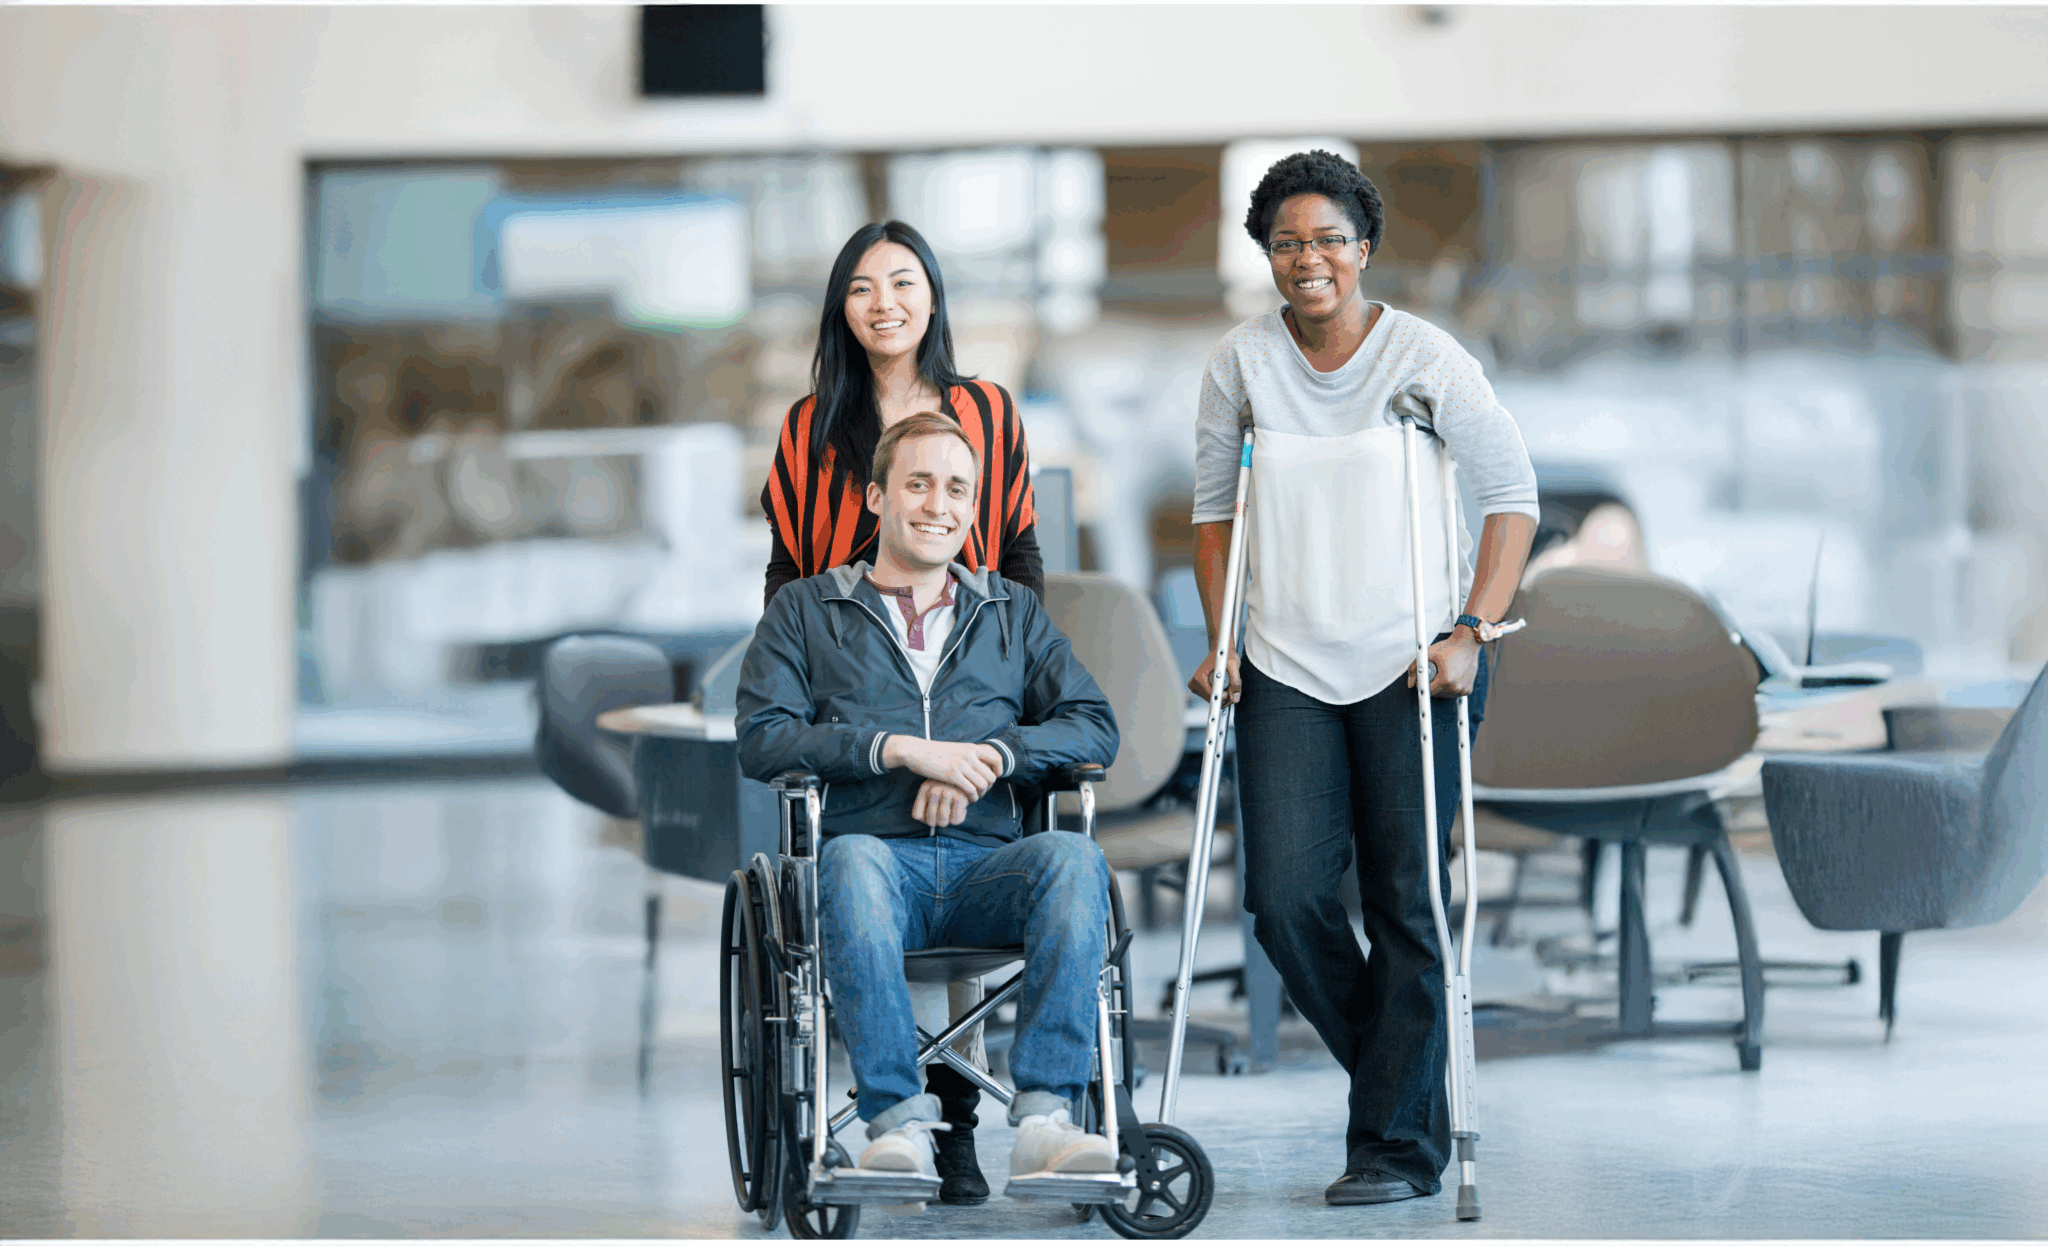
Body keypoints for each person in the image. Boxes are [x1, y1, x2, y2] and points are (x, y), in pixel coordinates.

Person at [1187, 150, 1539, 1207]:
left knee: (1406, 902)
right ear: (1264, 253)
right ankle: (1404, 1089)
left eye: (1329, 240)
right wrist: (1220, 638)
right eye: (1287, 242)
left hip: (1411, 664)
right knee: (1285, 899)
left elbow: (1509, 494)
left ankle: (1390, 1145)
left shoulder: (1423, 357)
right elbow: (1214, 518)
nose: (1309, 260)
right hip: (1284, 662)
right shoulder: (1238, 365)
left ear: (1363, 248)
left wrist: (1473, 627)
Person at [736, 411, 1122, 1201]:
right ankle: (896, 1126)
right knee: (848, 861)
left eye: (957, 489)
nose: (938, 504)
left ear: (974, 508)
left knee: (1074, 859)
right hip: (874, 869)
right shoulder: (807, 612)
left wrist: (991, 758)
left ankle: (1046, 1119)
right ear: (877, 497)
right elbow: (762, 739)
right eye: (918, 484)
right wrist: (899, 750)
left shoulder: (1009, 611)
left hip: (991, 871)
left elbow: (1093, 724)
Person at [757, 219, 1045, 1202]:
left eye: (903, 283)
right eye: (861, 287)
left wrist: (980, 729)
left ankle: (954, 1121)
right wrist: (808, 705)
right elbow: (790, 574)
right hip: (858, 712)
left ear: (932, 298)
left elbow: (1017, 561)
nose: (884, 303)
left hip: (967, 699)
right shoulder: (811, 426)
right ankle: (892, 1116)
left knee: (978, 856)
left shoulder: (987, 411)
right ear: (841, 307)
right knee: (859, 871)